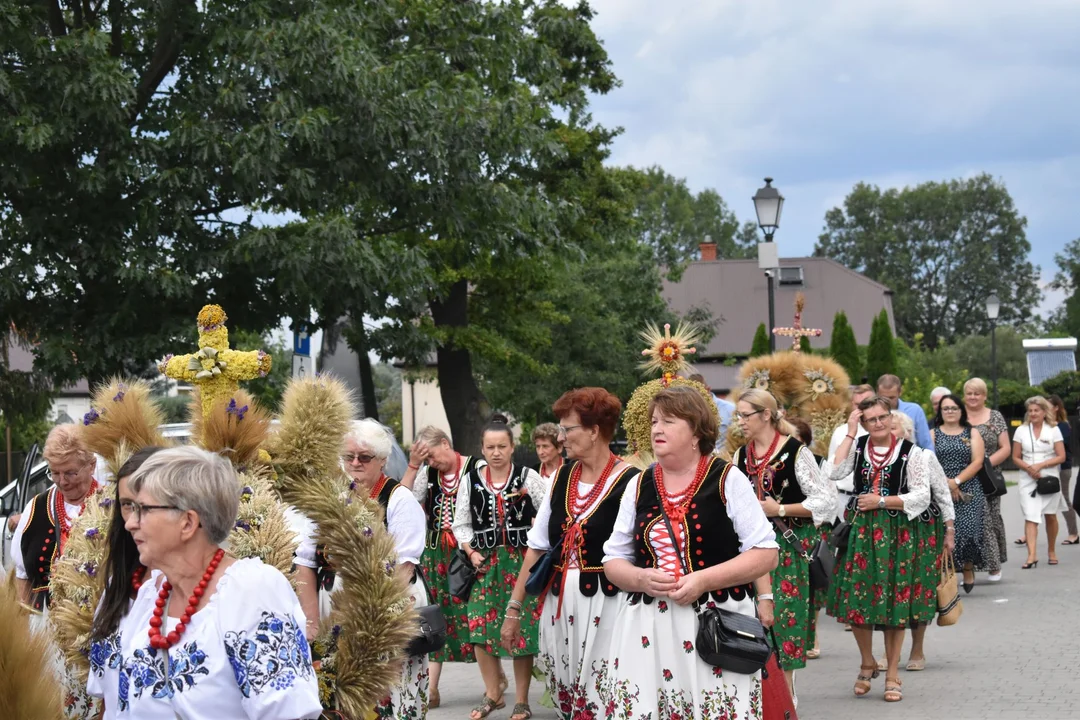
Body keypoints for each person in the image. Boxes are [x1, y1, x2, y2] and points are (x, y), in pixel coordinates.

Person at [86, 445, 321, 718]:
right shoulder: (153, 593)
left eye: (144, 510)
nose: (130, 524)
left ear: (187, 522)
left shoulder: (251, 591)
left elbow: (288, 712)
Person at [600, 385, 779, 720]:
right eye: (654, 421)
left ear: (696, 431)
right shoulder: (639, 485)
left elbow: (766, 553)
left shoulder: (727, 479)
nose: (656, 429)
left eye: (668, 421)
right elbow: (612, 559)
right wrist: (640, 577)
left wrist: (702, 580)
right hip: (648, 628)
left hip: (716, 625)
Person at [501, 388, 639, 720]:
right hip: (561, 606)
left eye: (568, 429)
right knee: (569, 696)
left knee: (607, 696)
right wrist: (514, 608)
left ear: (594, 431)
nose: (561, 437)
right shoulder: (561, 477)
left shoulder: (632, 481)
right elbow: (537, 547)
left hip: (610, 605)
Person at [293, 419, 430, 720]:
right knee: (339, 694)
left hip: (385, 609)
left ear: (381, 461)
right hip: (333, 605)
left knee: (392, 692)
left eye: (364, 457)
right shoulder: (327, 500)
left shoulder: (399, 499)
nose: (355, 463)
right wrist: (312, 622)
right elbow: (304, 561)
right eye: (348, 456)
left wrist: (370, 622)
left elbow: (403, 568)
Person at [826, 396, 932, 703]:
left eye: (883, 416)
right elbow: (834, 473)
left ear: (891, 416)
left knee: (893, 603)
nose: (879, 423)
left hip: (897, 533)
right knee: (860, 600)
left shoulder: (912, 453)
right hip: (861, 532)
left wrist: (883, 501)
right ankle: (866, 661)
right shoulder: (858, 447)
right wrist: (849, 432)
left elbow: (921, 496)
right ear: (864, 423)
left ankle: (892, 672)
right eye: (871, 419)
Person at [731, 389, 835, 695]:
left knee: (785, 620)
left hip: (789, 547)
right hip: (751, 549)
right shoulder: (740, 456)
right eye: (738, 415)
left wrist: (780, 509)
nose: (741, 422)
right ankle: (761, 697)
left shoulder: (795, 452)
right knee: (753, 623)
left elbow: (826, 502)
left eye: (745, 415)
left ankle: (788, 699)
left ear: (766, 415)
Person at [454, 419, 548, 720]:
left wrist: (535, 540)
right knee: (478, 625)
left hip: (522, 562)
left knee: (521, 629)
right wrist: (470, 551)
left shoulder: (527, 476)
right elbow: (461, 522)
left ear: (512, 448)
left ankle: (521, 700)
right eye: (490, 447)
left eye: (502, 446)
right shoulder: (470, 480)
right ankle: (493, 693)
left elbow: (548, 512)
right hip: (485, 563)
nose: (496, 452)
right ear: (482, 449)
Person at [400, 426, 483, 707]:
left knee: (477, 614)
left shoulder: (476, 468)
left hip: (466, 551)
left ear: (446, 443)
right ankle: (432, 689)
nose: (431, 463)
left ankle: (494, 682)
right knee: (433, 615)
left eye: (432, 456)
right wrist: (414, 465)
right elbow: (403, 497)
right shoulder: (428, 473)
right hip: (435, 553)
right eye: (427, 460)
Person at [11, 424, 104, 617]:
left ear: (91, 466)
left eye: (70, 472)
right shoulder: (36, 507)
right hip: (47, 626)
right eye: (54, 472)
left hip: (101, 623)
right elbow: (23, 577)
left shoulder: (109, 505)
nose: (62, 481)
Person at [891, 409, 956, 673]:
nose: (885, 432)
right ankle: (890, 651)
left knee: (919, 590)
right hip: (887, 533)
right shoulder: (872, 459)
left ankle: (917, 649)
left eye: (893, 427)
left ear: (906, 433)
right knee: (890, 591)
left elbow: (942, 494)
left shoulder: (924, 456)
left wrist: (949, 531)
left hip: (923, 529)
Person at [928, 397, 987, 596]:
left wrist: (957, 482)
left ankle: (968, 567)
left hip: (969, 488)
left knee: (969, 531)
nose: (950, 411)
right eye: (946, 408)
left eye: (954, 408)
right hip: (940, 486)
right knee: (944, 533)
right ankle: (948, 574)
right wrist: (947, 483)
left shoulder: (972, 433)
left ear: (961, 410)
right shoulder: (933, 434)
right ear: (940, 412)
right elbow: (929, 461)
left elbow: (977, 462)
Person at [1012, 396, 1068, 568]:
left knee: (1051, 515)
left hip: (1049, 476)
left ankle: (1051, 550)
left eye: (1037, 410)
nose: (1033, 413)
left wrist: (1042, 465)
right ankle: (1032, 556)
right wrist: (1030, 469)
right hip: (1027, 477)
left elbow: (1061, 456)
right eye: (1030, 411)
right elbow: (1015, 457)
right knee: (1031, 515)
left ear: (1044, 412)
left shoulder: (1053, 430)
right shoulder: (1021, 430)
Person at [964, 378, 1009, 581]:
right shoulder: (957, 415)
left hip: (988, 477)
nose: (973, 397)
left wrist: (984, 464)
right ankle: (967, 565)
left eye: (977, 393)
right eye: (969, 393)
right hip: (963, 475)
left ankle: (994, 564)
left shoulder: (995, 416)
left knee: (990, 519)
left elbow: (1005, 448)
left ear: (984, 396)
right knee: (967, 522)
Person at [826, 385, 877, 522]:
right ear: (852, 405)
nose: (862, 409)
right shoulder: (841, 432)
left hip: (877, 500)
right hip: (844, 497)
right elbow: (830, 470)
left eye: (867, 403)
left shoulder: (882, 429)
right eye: (858, 405)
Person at [1047, 395, 1077, 545]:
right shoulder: (1043, 424)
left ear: (1056, 407)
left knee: (1064, 499)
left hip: (1062, 467)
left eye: (1048, 405)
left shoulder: (1062, 425)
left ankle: (1073, 533)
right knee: (1040, 498)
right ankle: (1029, 533)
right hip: (1047, 466)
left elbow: (1059, 445)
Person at [875, 375, 932, 449]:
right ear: (877, 393)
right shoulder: (872, 412)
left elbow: (926, 443)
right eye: (883, 397)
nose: (888, 401)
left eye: (892, 397)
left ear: (900, 392)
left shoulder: (915, 410)